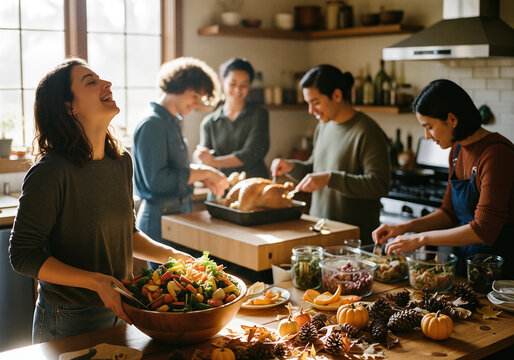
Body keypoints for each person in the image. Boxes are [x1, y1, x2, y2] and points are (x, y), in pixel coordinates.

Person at [9, 58, 193, 343]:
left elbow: (127, 236)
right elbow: (22, 255)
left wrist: (175, 258)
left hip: (120, 308)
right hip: (68, 316)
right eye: (91, 82)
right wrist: (97, 282)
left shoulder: (120, 161)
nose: (106, 84)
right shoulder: (50, 171)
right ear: (69, 106)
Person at [372, 79, 513, 276]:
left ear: (452, 119)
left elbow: (483, 230)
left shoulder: (496, 154)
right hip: (467, 264)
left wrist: (421, 239)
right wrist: (403, 228)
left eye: (429, 126)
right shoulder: (456, 151)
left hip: (500, 272)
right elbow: (449, 213)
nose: (427, 136)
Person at [270, 64, 391, 244]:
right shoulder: (324, 125)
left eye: (316, 102)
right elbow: (315, 168)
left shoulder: (367, 131)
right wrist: (291, 166)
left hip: (354, 240)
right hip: (321, 232)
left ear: (336, 95)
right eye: (308, 103)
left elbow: (379, 184)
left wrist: (330, 179)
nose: (311, 111)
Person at [133, 57, 229, 268]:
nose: (197, 104)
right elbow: (157, 182)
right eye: (195, 96)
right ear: (176, 86)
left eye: (200, 98)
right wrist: (204, 173)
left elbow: (176, 171)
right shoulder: (153, 124)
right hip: (160, 218)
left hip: (176, 214)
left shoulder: (172, 121)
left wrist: (202, 175)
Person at [194, 57, 270, 178]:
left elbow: (250, 154)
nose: (237, 90)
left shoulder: (259, 114)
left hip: (254, 187)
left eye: (244, 85)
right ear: (222, 81)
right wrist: (200, 156)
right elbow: (204, 160)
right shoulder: (209, 122)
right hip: (221, 187)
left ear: (250, 85)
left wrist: (213, 161)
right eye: (232, 84)